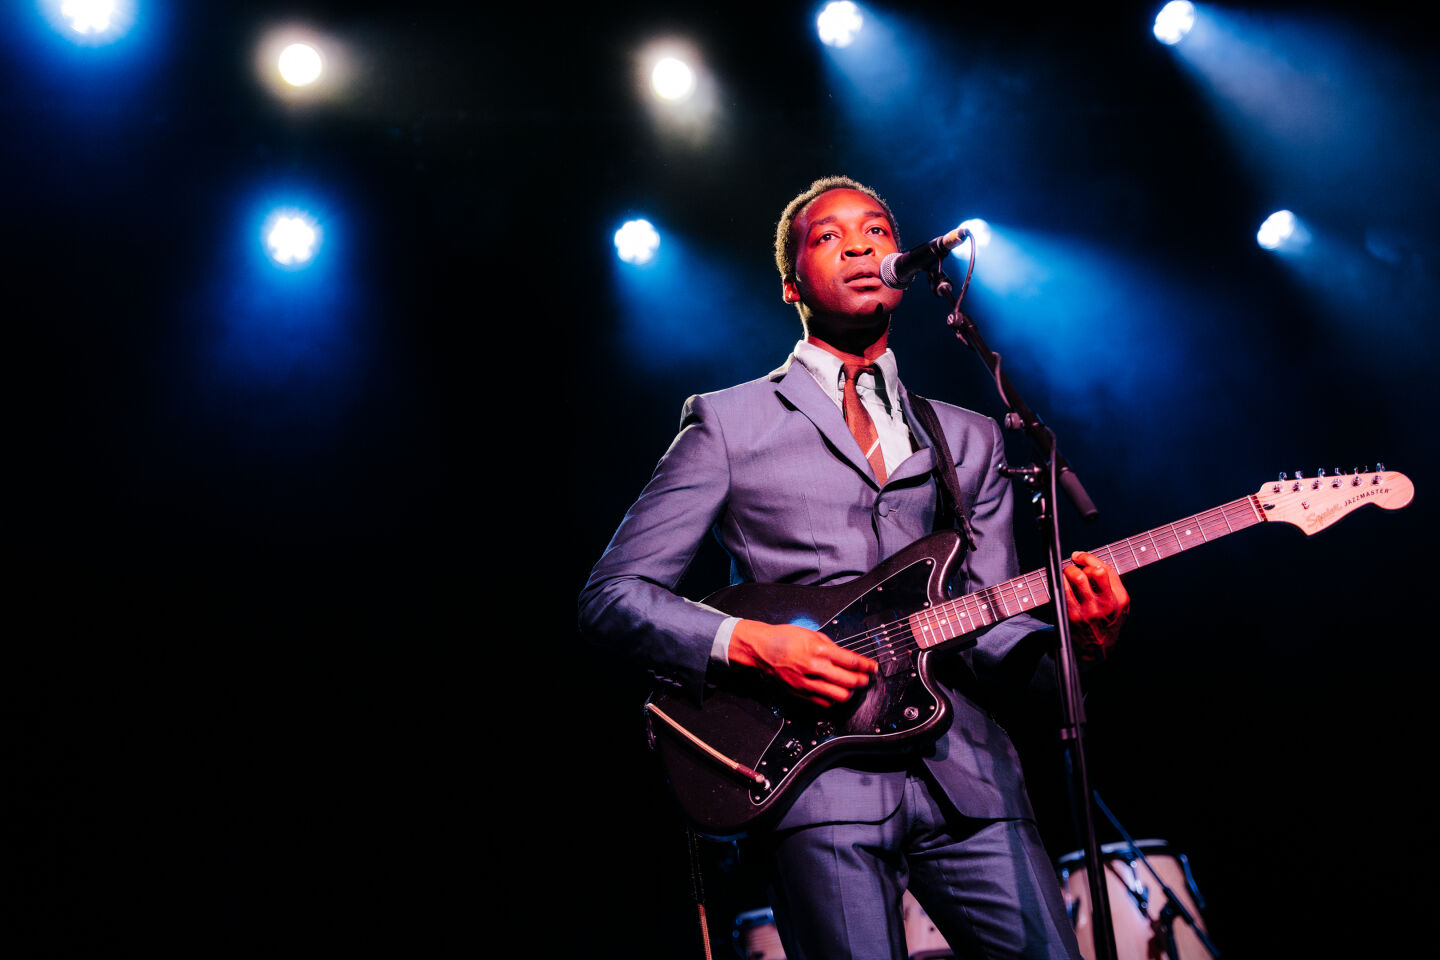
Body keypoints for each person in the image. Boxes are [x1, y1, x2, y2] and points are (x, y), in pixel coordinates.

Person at [579, 175, 1130, 959]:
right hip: (814, 780)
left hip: (970, 778)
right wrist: (752, 643)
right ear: (791, 284)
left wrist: (1083, 642)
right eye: (829, 237)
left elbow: (993, 634)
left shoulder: (968, 435)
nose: (861, 247)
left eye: (876, 231)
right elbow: (612, 596)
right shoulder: (728, 421)